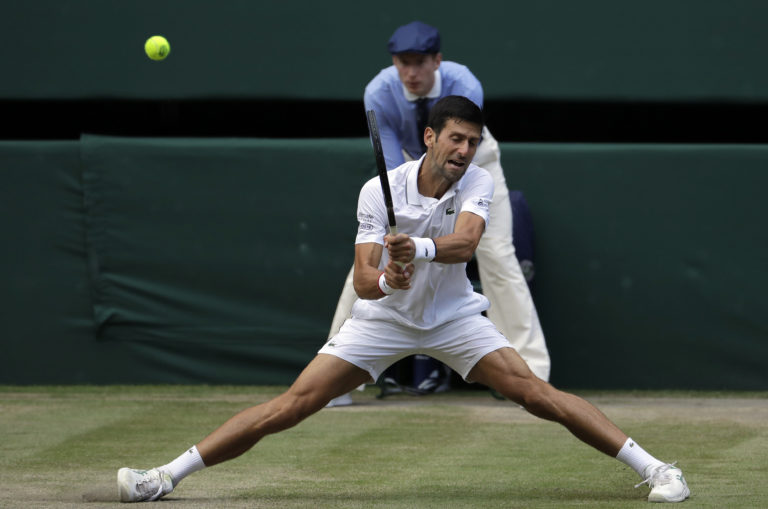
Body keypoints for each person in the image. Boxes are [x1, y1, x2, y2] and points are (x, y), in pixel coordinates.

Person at [117, 96, 690, 504]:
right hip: (384, 320)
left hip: (454, 319)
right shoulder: (378, 191)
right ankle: (162, 478)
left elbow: (465, 245)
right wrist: (391, 279)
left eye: (473, 141)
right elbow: (364, 281)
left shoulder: (477, 182)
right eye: (456, 138)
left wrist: (415, 248)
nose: (465, 150)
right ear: (430, 138)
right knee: (292, 405)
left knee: (536, 395)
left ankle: (659, 469)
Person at [326, 21, 549, 405]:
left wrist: (423, 240)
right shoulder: (378, 92)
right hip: (412, 170)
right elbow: (391, 170)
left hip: (474, 166)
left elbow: (463, 148)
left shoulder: (465, 84)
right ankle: (336, 380)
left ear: (437, 61)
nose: (410, 72)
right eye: (403, 62)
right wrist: (399, 226)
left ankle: (531, 375)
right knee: (368, 262)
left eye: (419, 62)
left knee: (498, 255)